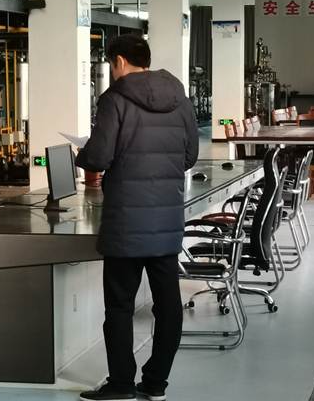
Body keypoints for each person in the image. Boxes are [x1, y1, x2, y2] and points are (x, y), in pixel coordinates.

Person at [76, 34, 199, 401]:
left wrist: (83, 154)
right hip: (166, 222)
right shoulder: (180, 99)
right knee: (168, 307)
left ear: (118, 61)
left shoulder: (114, 99)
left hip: (126, 225)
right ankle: (156, 383)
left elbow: (99, 157)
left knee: (119, 307)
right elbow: (190, 156)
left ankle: (121, 384)